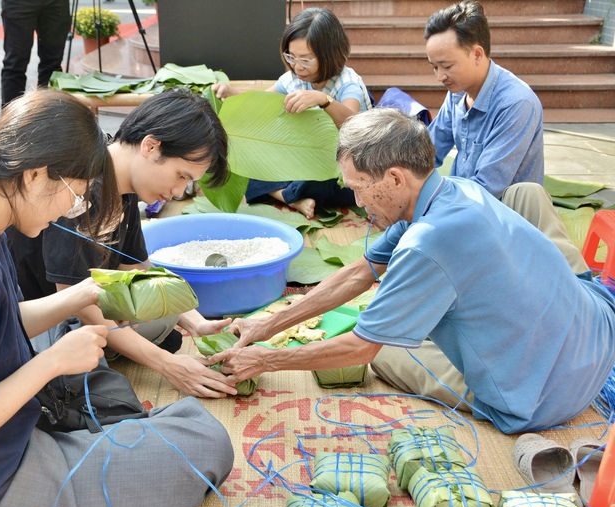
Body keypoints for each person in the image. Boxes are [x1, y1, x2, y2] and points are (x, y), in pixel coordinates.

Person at [0, 90, 234, 507]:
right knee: (207, 443)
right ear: (35, 176)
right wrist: (53, 363)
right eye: (76, 193)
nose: (73, 209)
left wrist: (76, 298)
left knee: (152, 411)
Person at [212, 107, 615, 435]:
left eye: (359, 187)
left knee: (385, 352)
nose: (356, 199)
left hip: (545, 398)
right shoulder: (454, 190)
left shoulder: (427, 245)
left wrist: (264, 361)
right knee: (525, 204)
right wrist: (267, 327)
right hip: (598, 336)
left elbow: (360, 347)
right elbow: (359, 273)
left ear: (394, 177)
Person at [8, 90, 239, 399]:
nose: (178, 190)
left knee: (164, 314)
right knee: (102, 377)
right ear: (151, 146)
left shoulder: (126, 187)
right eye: (180, 176)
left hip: (82, 306)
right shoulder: (79, 185)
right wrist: (168, 366)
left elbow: (134, 266)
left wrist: (196, 322)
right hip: (39, 318)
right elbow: (75, 300)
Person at [424, 1, 588, 274]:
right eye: (433, 67)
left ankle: (584, 287)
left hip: (504, 220)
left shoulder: (515, 103)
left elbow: (487, 187)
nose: (440, 76)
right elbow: (428, 150)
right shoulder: (456, 93)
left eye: (446, 66)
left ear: (477, 53)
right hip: (465, 209)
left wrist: (433, 208)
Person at [212, 7, 372, 219]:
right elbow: (262, 103)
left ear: (330, 54)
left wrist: (323, 100)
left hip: (343, 164)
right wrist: (231, 93)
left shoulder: (347, 83)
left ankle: (285, 193)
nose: (297, 66)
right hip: (305, 157)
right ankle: (291, 196)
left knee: (332, 182)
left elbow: (350, 120)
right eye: (291, 56)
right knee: (249, 160)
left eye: (306, 59)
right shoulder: (293, 78)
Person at [0, 0, 71, 108]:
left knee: (53, 65)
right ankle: (13, 121)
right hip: (18, 3)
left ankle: (49, 115)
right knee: (15, 63)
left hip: (56, 3)